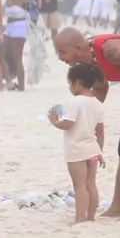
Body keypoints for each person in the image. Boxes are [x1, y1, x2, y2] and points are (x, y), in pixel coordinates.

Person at [53, 26, 120, 218]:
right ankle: (118, 208)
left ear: (78, 47)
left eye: (62, 52)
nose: (59, 57)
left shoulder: (108, 49)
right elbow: (100, 90)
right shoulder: (92, 64)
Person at [47, 62, 106, 223]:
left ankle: (80, 218)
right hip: (92, 148)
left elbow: (68, 124)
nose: (69, 87)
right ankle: (91, 217)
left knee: (79, 186)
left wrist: (54, 122)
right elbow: (100, 131)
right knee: (91, 184)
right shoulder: (98, 103)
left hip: (76, 149)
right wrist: (99, 151)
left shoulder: (74, 102)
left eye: (69, 83)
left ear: (77, 82)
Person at [1, 0, 29, 91]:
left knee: (17, 57)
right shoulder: (7, 0)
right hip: (9, 27)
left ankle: (22, 87)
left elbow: (32, 13)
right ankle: (8, 81)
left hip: (19, 27)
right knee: (0, 54)